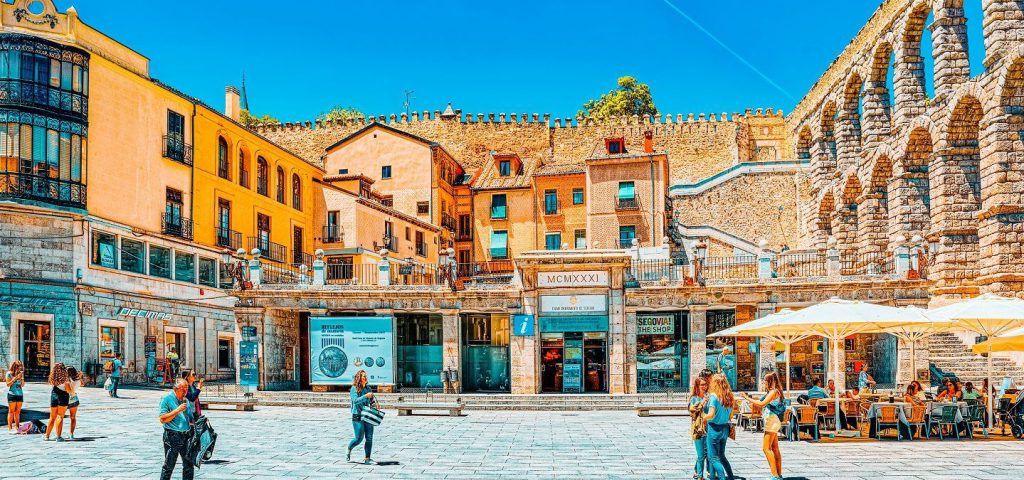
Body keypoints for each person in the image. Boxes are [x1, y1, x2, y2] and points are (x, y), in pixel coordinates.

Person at [742, 372, 785, 480]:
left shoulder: (773, 392)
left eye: (765, 380)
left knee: (766, 448)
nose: (764, 383)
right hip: (774, 421)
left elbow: (761, 404)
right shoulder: (775, 391)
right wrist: (750, 399)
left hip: (771, 421)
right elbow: (760, 401)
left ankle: (774, 475)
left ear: (769, 381)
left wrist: (746, 398)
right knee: (775, 448)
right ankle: (779, 474)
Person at [159, 378, 194, 480]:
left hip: (186, 435)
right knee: (169, 465)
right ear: (176, 388)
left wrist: (199, 422)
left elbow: (190, 418)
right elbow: (163, 419)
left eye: (187, 389)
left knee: (189, 465)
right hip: (172, 436)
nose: (185, 392)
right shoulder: (166, 399)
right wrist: (177, 410)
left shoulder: (185, 400)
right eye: (183, 389)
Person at [703, 373, 735, 480]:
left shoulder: (714, 396)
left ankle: (722, 478)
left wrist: (702, 417)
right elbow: (731, 415)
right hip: (725, 428)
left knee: (713, 457)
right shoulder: (729, 397)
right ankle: (730, 477)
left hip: (714, 428)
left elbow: (711, 414)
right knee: (722, 456)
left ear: (715, 383)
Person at [347, 370, 377, 464]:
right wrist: (366, 396)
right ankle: (349, 448)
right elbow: (355, 401)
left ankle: (367, 459)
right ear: (359, 378)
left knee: (369, 437)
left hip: (368, 415)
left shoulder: (368, 388)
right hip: (357, 415)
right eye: (364, 376)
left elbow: (371, 401)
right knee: (358, 438)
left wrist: (374, 404)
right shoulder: (354, 388)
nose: (366, 378)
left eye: (366, 376)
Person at [689, 375, 710, 480]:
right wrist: (703, 402)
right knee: (701, 455)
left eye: (705, 384)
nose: (704, 386)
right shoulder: (694, 398)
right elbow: (693, 411)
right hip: (698, 429)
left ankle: (697, 471)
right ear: (697, 386)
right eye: (702, 385)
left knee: (707, 453)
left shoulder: (709, 397)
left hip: (708, 429)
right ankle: (700, 476)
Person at [44, 362, 71, 441]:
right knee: (60, 416)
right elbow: (68, 390)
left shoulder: (52, 378)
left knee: (52, 417)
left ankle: (47, 436)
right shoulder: (65, 379)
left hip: (54, 396)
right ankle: (58, 437)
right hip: (63, 397)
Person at [6, 360, 24, 433]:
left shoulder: (20, 374)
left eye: (20, 367)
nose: (20, 369)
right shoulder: (9, 374)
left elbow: (22, 385)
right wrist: (15, 378)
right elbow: (8, 384)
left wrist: (21, 378)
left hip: (20, 394)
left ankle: (17, 427)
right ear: (14, 367)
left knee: (18, 412)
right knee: (11, 411)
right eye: (18, 367)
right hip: (12, 394)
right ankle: (10, 428)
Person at [67, 367, 83, 440]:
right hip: (74, 398)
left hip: (65, 398)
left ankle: (58, 434)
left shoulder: (66, 380)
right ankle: (71, 434)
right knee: (73, 417)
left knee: (59, 417)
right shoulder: (78, 381)